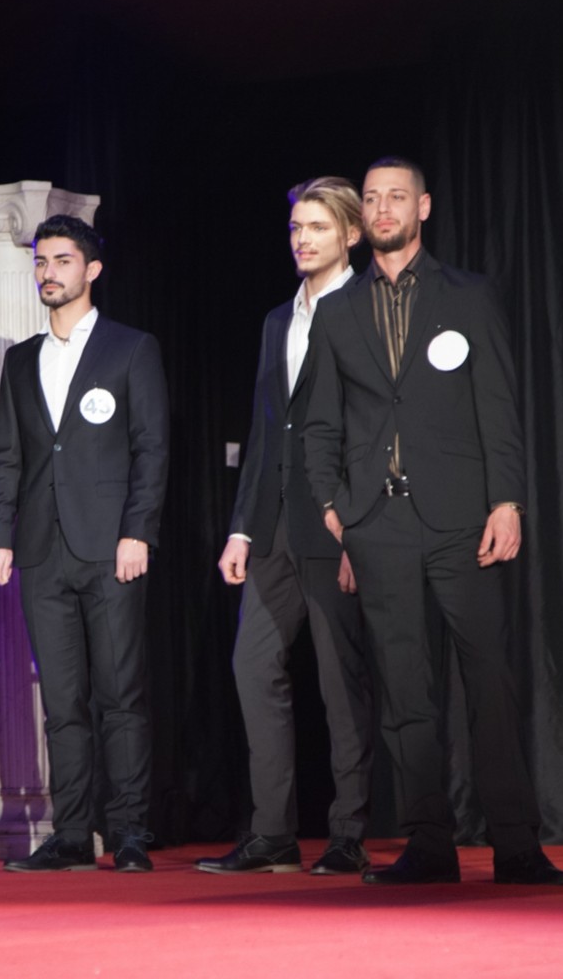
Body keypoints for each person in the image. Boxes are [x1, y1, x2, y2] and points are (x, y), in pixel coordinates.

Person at [302, 157, 563, 886]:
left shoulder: (468, 295)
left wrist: (507, 500)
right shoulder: (336, 312)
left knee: (489, 678)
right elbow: (320, 424)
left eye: (396, 197)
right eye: (372, 199)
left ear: (423, 207)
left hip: (461, 519)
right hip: (377, 523)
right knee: (403, 691)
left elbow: (498, 407)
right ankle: (429, 844)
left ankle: (516, 846)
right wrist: (336, 508)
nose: (383, 209)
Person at [196, 177, 374, 876]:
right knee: (252, 668)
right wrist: (241, 528)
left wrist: (357, 526)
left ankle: (348, 833)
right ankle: (271, 833)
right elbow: (265, 430)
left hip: (336, 527)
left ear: (350, 235)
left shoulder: (369, 307)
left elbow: (374, 430)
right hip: (271, 528)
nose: (302, 239)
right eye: (296, 227)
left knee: (340, 683)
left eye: (318, 227)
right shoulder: (278, 319)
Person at [0, 214, 170, 873]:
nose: (48, 272)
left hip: (110, 546)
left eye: (62, 260)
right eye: (40, 261)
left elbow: (151, 449)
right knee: (61, 704)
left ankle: (130, 831)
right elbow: (8, 455)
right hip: (40, 549)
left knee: (120, 695)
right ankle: (70, 834)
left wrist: (137, 531)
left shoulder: (130, 348)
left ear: (91, 270)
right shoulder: (21, 359)